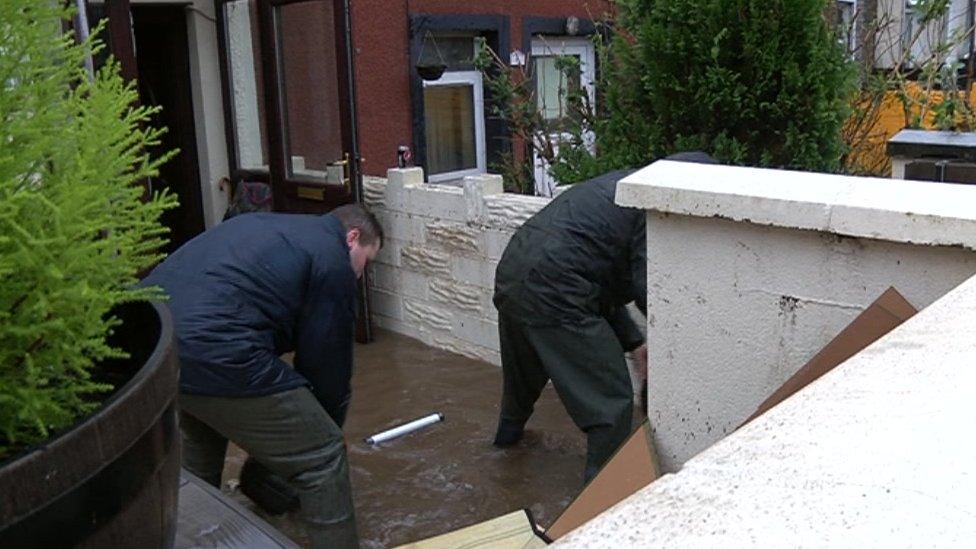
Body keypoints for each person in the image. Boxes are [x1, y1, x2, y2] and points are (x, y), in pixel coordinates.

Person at [144, 204, 383, 548]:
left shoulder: (265, 225)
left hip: (156, 345)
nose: (360, 275)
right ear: (352, 237)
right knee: (323, 458)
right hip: (216, 348)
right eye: (367, 261)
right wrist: (319, 433)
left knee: (200, 451)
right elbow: (326, 366)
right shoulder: (332, 258)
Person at [491, 152, 716, 482]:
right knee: (611, 402)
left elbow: (599, 275)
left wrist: (636, 342)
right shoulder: (651, 207)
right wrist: (670, 340)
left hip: (514, 271)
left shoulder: (620, 185)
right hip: (556, 285)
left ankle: (501, 455)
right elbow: (645, 282)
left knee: (521, 383)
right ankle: (598, 502)